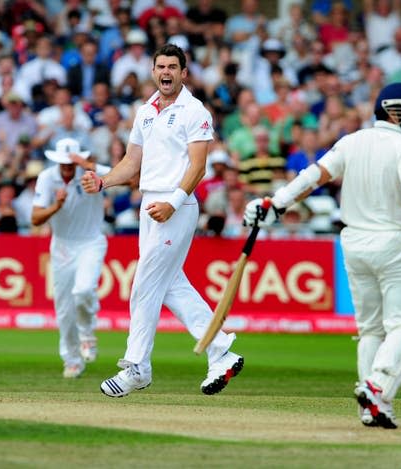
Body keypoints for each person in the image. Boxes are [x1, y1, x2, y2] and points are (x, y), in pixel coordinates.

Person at [243, 82, 401, 429]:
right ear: (397, 111)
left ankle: (370, 406)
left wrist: (275, 204)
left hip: (354, 245)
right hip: (395, 244)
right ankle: (377, 388)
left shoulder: (352, 141)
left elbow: (313, 176)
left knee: (370, 328)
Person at [81, 44, 243, 398]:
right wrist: (103, 180)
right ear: (153, 72)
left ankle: (137, 366)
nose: (166, 72)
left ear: (184, 73)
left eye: (172, 66)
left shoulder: (194, 111)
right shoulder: (145, 112)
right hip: (150, 204)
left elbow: (198, 165)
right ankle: (221, 351)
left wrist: (173, 201)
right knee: (169, 286)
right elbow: (131, 162)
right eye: (160, 67)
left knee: (144, 285)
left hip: (176, 204)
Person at [31, 138, 111, 379]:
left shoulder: (90, 172)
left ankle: (87, 335)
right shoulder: (46, 177)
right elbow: (35, 218)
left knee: (84, 290)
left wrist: (88, 165)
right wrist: (57, 205)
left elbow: (131, 179)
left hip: (91, 241)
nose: (67, 168)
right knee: (64, 309)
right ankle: (72, 360)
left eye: (71, 163)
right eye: (64, 163)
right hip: (63, 246)